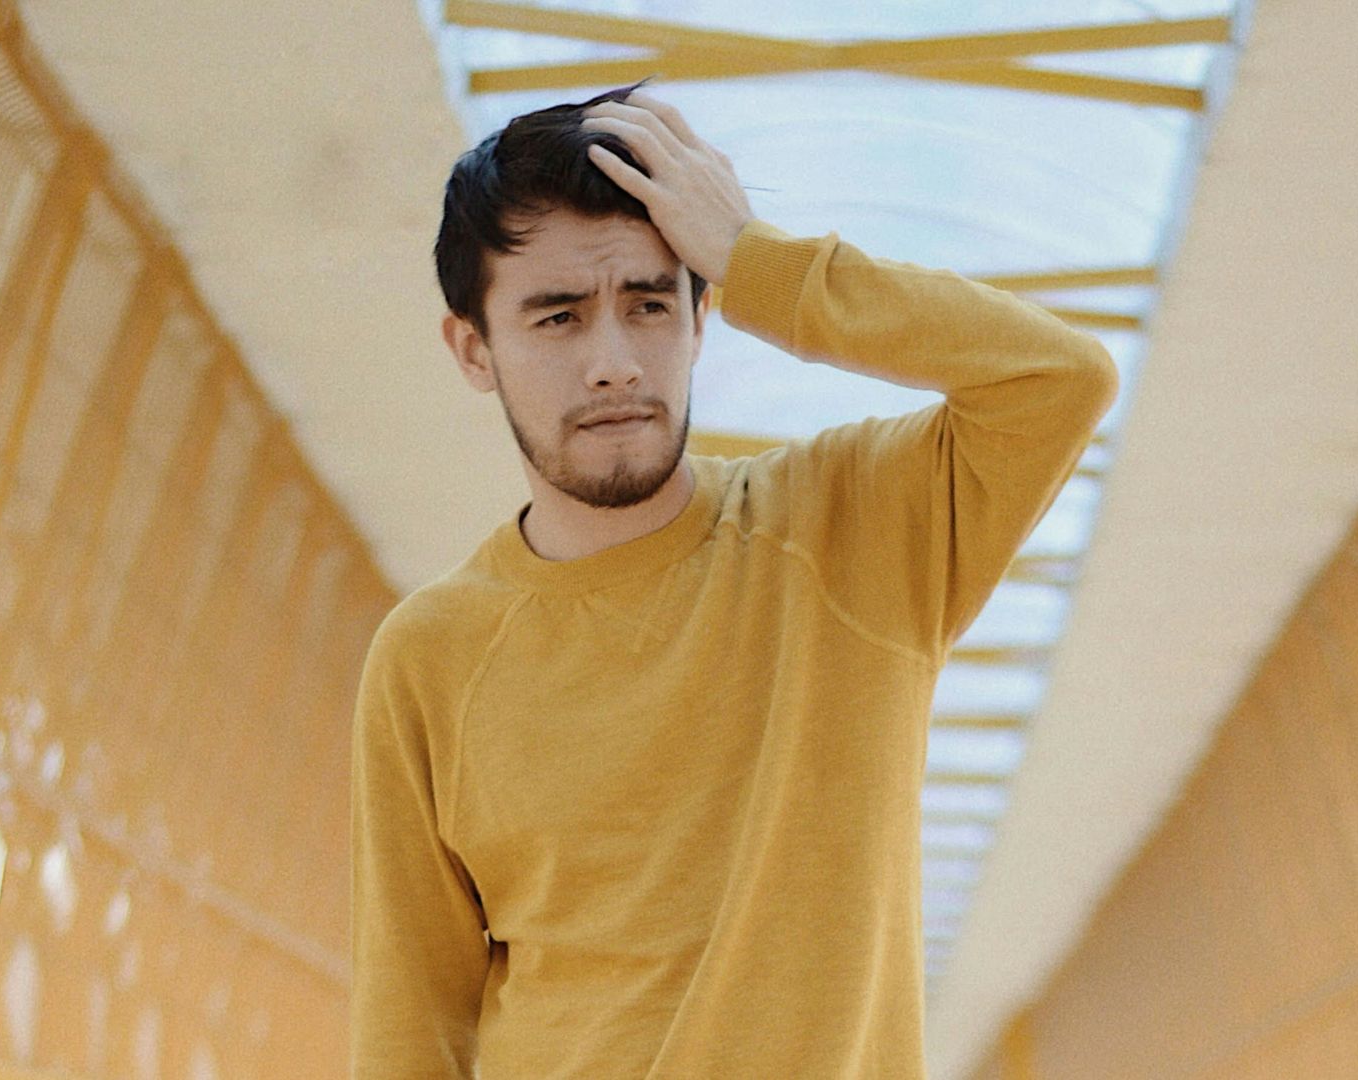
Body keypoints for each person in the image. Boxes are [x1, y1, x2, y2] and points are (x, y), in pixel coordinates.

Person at [350, 76, 1119, 1078]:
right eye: (558, 318)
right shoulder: (431, 657)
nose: (616, 361)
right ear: (473, 349)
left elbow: (1060, 379)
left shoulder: (855, 530)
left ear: (702, 316)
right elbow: (411, 1031)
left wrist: (762, 262)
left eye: (649, 303)